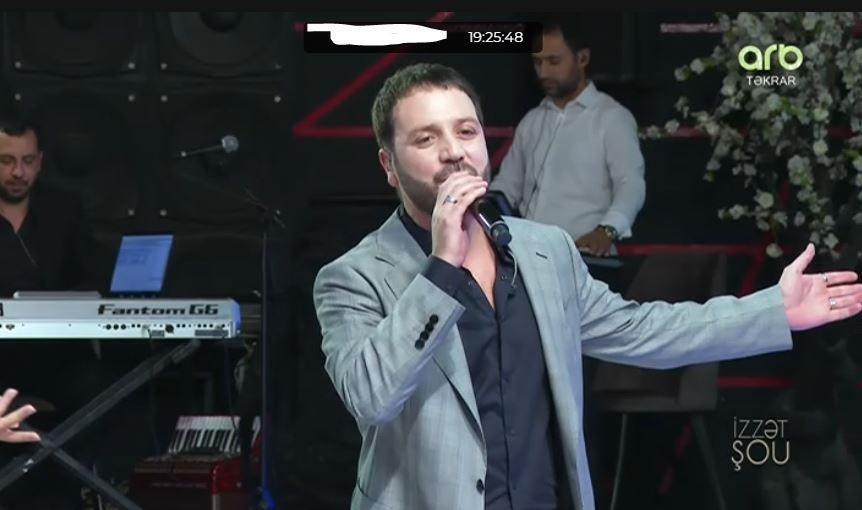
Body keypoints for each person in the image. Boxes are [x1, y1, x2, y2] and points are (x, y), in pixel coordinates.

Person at [313, 62, 862, 510]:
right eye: (426, 138)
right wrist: (442, 267)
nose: (454, 151)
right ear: (389, 165)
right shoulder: (353, 276)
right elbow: (371, 397)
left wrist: (773, 311)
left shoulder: (544, 250)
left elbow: (641, 330)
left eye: (466, 131)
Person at [490, 18, 646, 257]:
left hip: (585, 257)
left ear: (582, 59)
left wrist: (607, 230)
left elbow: (630, 185)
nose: (544, 72)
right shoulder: (532, 120)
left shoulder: (612, 118)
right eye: (538, 62)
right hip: (528, 257)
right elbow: (507, 186)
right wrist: (485, 208)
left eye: (553, 61)